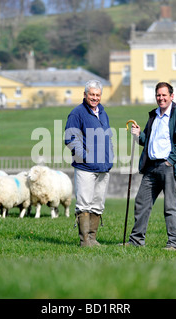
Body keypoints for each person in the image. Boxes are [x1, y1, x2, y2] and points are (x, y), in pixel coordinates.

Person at [127, 82, 176, 250]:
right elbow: (148, 141)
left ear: (171, 96)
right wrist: (138, 135)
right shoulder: (154, 115)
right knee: (141, 202)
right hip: (151, 167)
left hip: (168, 166)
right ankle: (136, 241)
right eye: (158, 95)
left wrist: (170, 161)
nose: (161, 98)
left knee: (171, 206)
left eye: (164, 95)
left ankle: (174, 243)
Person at [64, 80, 114, 247]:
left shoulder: (103, 113)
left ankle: (92, 238)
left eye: (97, 95)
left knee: (98, 204)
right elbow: (70, 138)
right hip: (85, 167)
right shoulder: (77, 113)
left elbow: (108, 137)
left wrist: (110, 156)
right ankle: (85, 241)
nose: (94, 98)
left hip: (103, 167)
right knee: (84, 203)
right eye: (91, 94)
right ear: (85, 95)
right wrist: (85, 156)